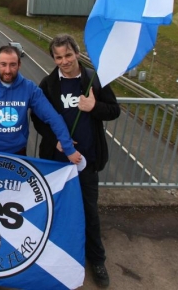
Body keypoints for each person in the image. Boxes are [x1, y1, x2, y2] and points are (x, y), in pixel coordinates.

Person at [32, 34, 120, 288]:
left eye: (68, 55)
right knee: (55, 210)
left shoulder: (93, 79)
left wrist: (94, 108)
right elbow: (38, 119)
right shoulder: (48, 84)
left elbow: (114, 110)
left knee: (89, 212)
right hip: (57, 163)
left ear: (77, 54)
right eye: (58, 57)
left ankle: (97, 259)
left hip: (86, 162)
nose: (64, 61)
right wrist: (55, 140)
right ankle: (53, 254)